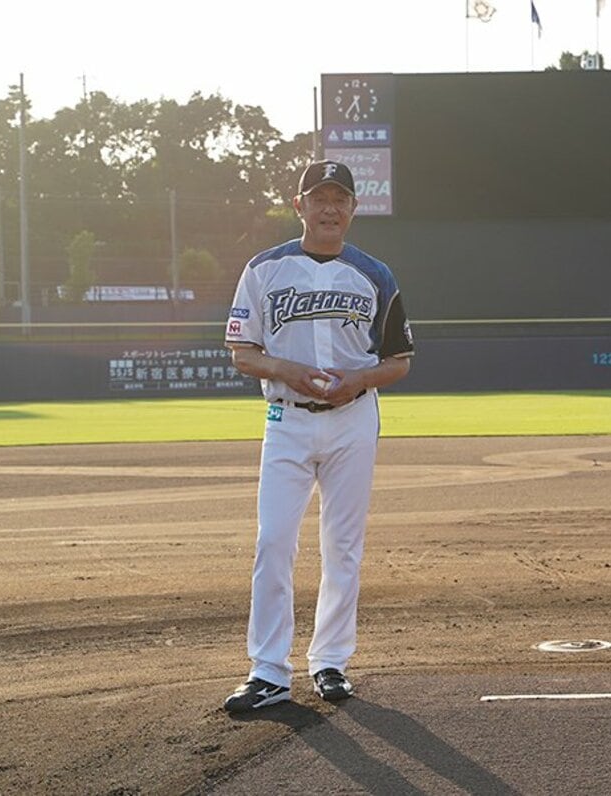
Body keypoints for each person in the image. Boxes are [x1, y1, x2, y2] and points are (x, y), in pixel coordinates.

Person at [222, 160, 414, 712]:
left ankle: (330, 662)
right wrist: (286, 370)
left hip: (354, 417)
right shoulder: (264, 269)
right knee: (274, 540)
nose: (330, 207)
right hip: (287, 419)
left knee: (343, 545)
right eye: (319, 197)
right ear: (299, 203)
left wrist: (360, 379)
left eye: (340, 198)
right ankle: (268, 671)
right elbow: (242, 352)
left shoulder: (376, 274)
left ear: (353, 209)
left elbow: (399, 360)